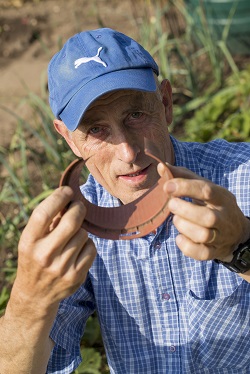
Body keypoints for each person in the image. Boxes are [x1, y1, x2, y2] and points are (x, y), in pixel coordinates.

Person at [0, 28, 249, 374]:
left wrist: (242, 247)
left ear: (164, 103)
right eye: (96, 130)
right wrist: (29, 301)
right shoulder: (76, 228)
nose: (128, 153)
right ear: (69, 139)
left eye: (136, 115)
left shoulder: (240, 176)